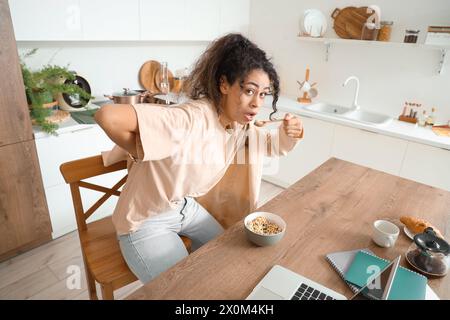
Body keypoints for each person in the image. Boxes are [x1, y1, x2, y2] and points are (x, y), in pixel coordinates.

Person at [95, 33, 304, 284]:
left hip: (184, 207)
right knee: (185, 288)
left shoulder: (237, 125)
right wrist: (140, 149)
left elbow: (270, 146)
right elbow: (108, 116)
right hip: (146, 220)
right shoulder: (191, 118)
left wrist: (289, 132)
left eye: (263, 94)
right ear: (224, 84)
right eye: (249, 91)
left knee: (232, 256)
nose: (256, 103)